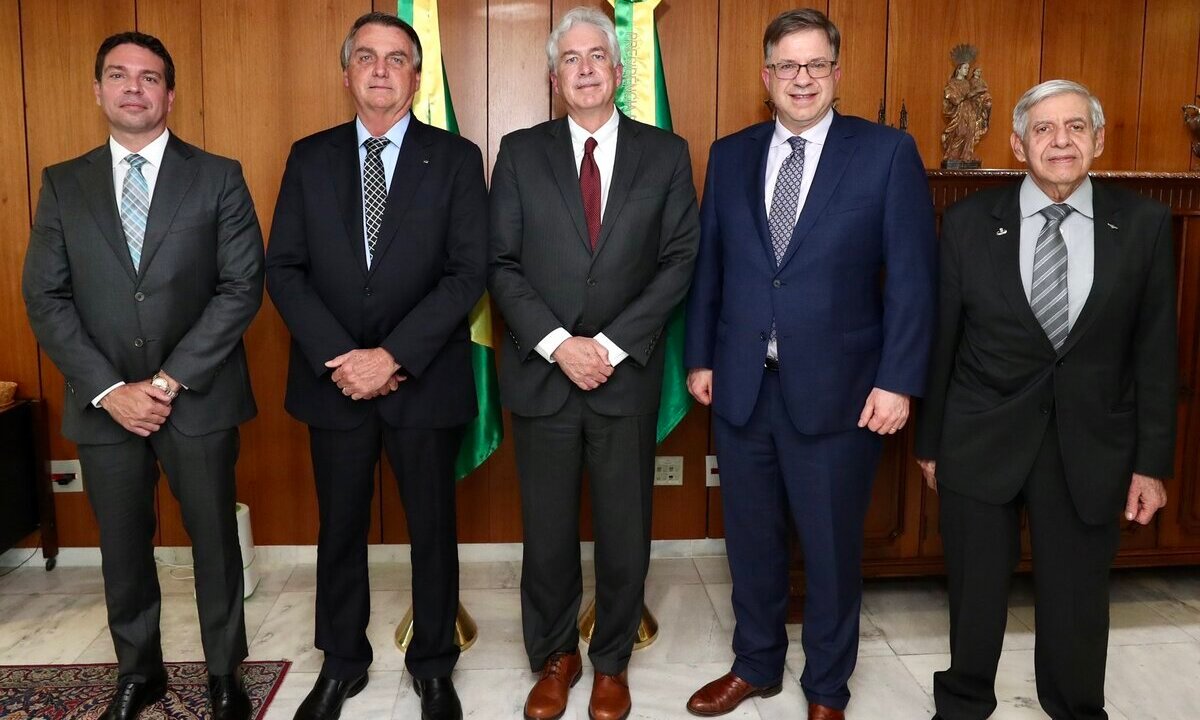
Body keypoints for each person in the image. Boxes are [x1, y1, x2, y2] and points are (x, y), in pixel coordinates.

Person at [683, 9, 937, 720]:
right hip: (742, 388)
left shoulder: (886, 153)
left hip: (841, 392)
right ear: (766, 76)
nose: (802, 79)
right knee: (751, 544)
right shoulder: (730, 154)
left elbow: (914, 280)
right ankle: (755, 665)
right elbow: (711, 268)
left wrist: (898, 381)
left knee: (828, 551)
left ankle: (827, 686)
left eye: (816, 65)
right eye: (788, 66)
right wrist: (699, 357)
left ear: (836, 72)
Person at [915, 79, 1176, 720]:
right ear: (1017, 144)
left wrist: (1151, 464)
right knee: (974, 593)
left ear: (1099, 139)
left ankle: (1077, 708)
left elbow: (1156, 353)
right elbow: (943, 340)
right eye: (1044, 129)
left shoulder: (1143, 224)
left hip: (1090, 445)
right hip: (980, 437)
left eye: (1076, 127)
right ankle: (962, 704)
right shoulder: (969, 222)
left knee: (1078, 598)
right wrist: (930, 443)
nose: (1061, 141)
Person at [22, 31, 263, 720]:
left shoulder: (218, 176)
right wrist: (109, 390)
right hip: (103, 405)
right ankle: (140, 672)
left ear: (170, 93)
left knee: (214, 542)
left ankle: (225, 674)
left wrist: (166, 382)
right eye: (119, 75)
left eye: (149, 77)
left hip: (197, 397)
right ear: (97, 90)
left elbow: (241, 286)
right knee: (122, 547)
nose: (134, 87)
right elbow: (45, 295)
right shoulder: (63, 184)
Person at [265, 11, 486, 720]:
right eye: (366, 57)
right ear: (347, 73)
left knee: (432, 531)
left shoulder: (455, 158)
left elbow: (467, 272)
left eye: (397, 58)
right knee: (339, 529)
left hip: (423, 379)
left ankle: (433, 665)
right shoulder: (309, 157)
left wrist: (392, 356)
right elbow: (284, 269)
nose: (381, 70)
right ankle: (342, 662)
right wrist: (344, 360)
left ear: (417, 78)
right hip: (333, 384)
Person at [487, 7, 699, 720]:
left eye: (596, 56)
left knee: (624, 531)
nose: (584, 69)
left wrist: (605, 347)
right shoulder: (519, 152)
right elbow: (501, 262)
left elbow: (679, 261)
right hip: (542, 374)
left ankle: (611, 661)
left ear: (618, 69)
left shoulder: (665, 153)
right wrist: (559, 344)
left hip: (624, 375)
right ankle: (555, 657)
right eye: (570, 59)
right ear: (555, 77)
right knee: (546, 533)